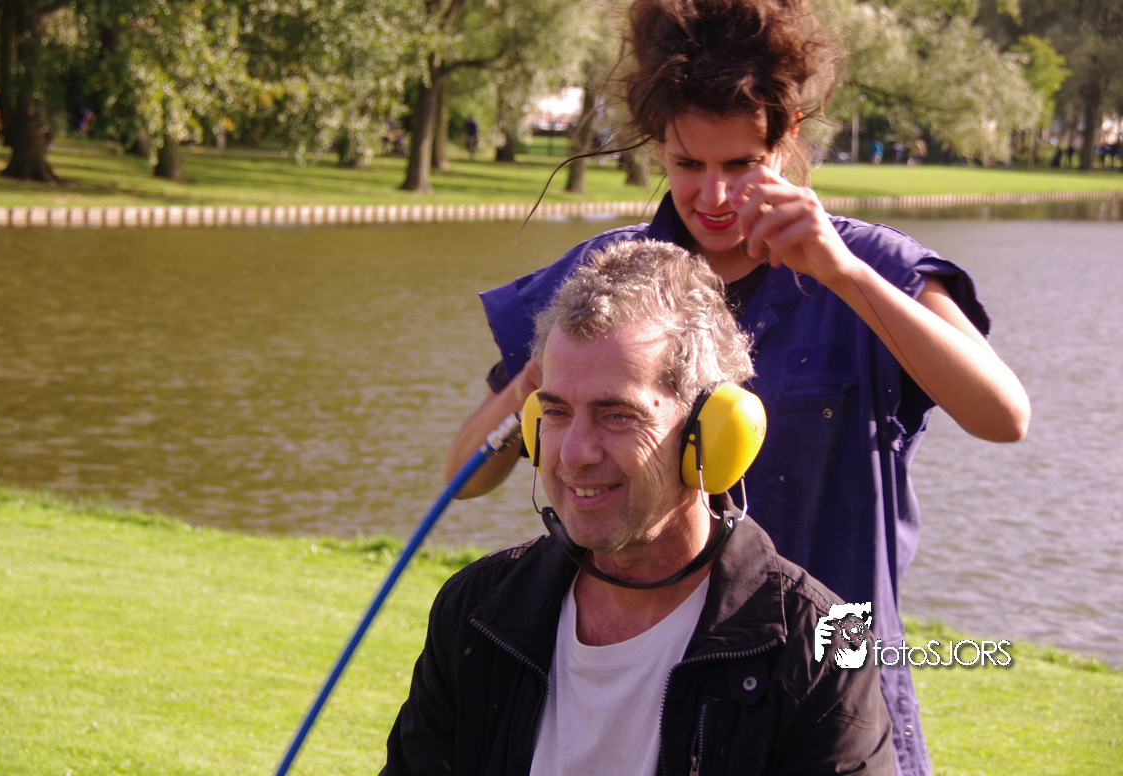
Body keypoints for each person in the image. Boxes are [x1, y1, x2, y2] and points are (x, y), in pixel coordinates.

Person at [441, 0, 1031, 773]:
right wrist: (548, 375)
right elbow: (464, 476)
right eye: (689, 165)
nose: (714, 197)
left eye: (741, 165)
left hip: (834, 681)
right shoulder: (604, 276)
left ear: (787, 139)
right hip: (644, 693)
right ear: (659, 145)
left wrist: (845, 276)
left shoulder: (874, 267)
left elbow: (1004, 416)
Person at [384, 240, 894, 775]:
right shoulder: (475, 612)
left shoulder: (823, 651)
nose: (574, 455)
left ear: (711, 435)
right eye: (556, 413)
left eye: (617, 416)